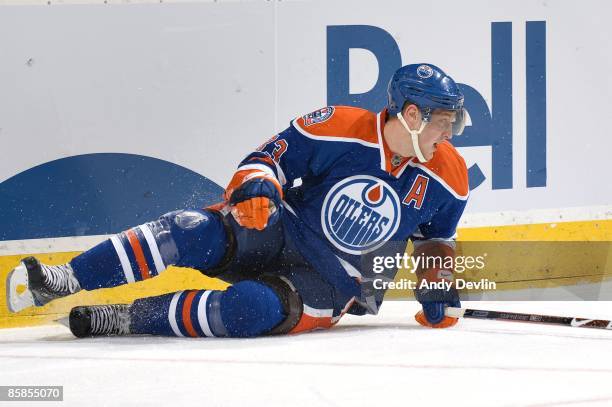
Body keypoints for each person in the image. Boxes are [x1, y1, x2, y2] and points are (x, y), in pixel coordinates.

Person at [6, 63, 468, 338]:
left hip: (334, 284)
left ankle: (126, 319)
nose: (451, 134)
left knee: (250, 309)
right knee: (186, 231)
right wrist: (258, 186)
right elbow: (266, 160)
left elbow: (436, 241)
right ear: (411, 113)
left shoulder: (450, 177)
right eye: (444, 122)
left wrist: (438, 285)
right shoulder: (340, 127)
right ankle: (61, 279)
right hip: (283, 230)